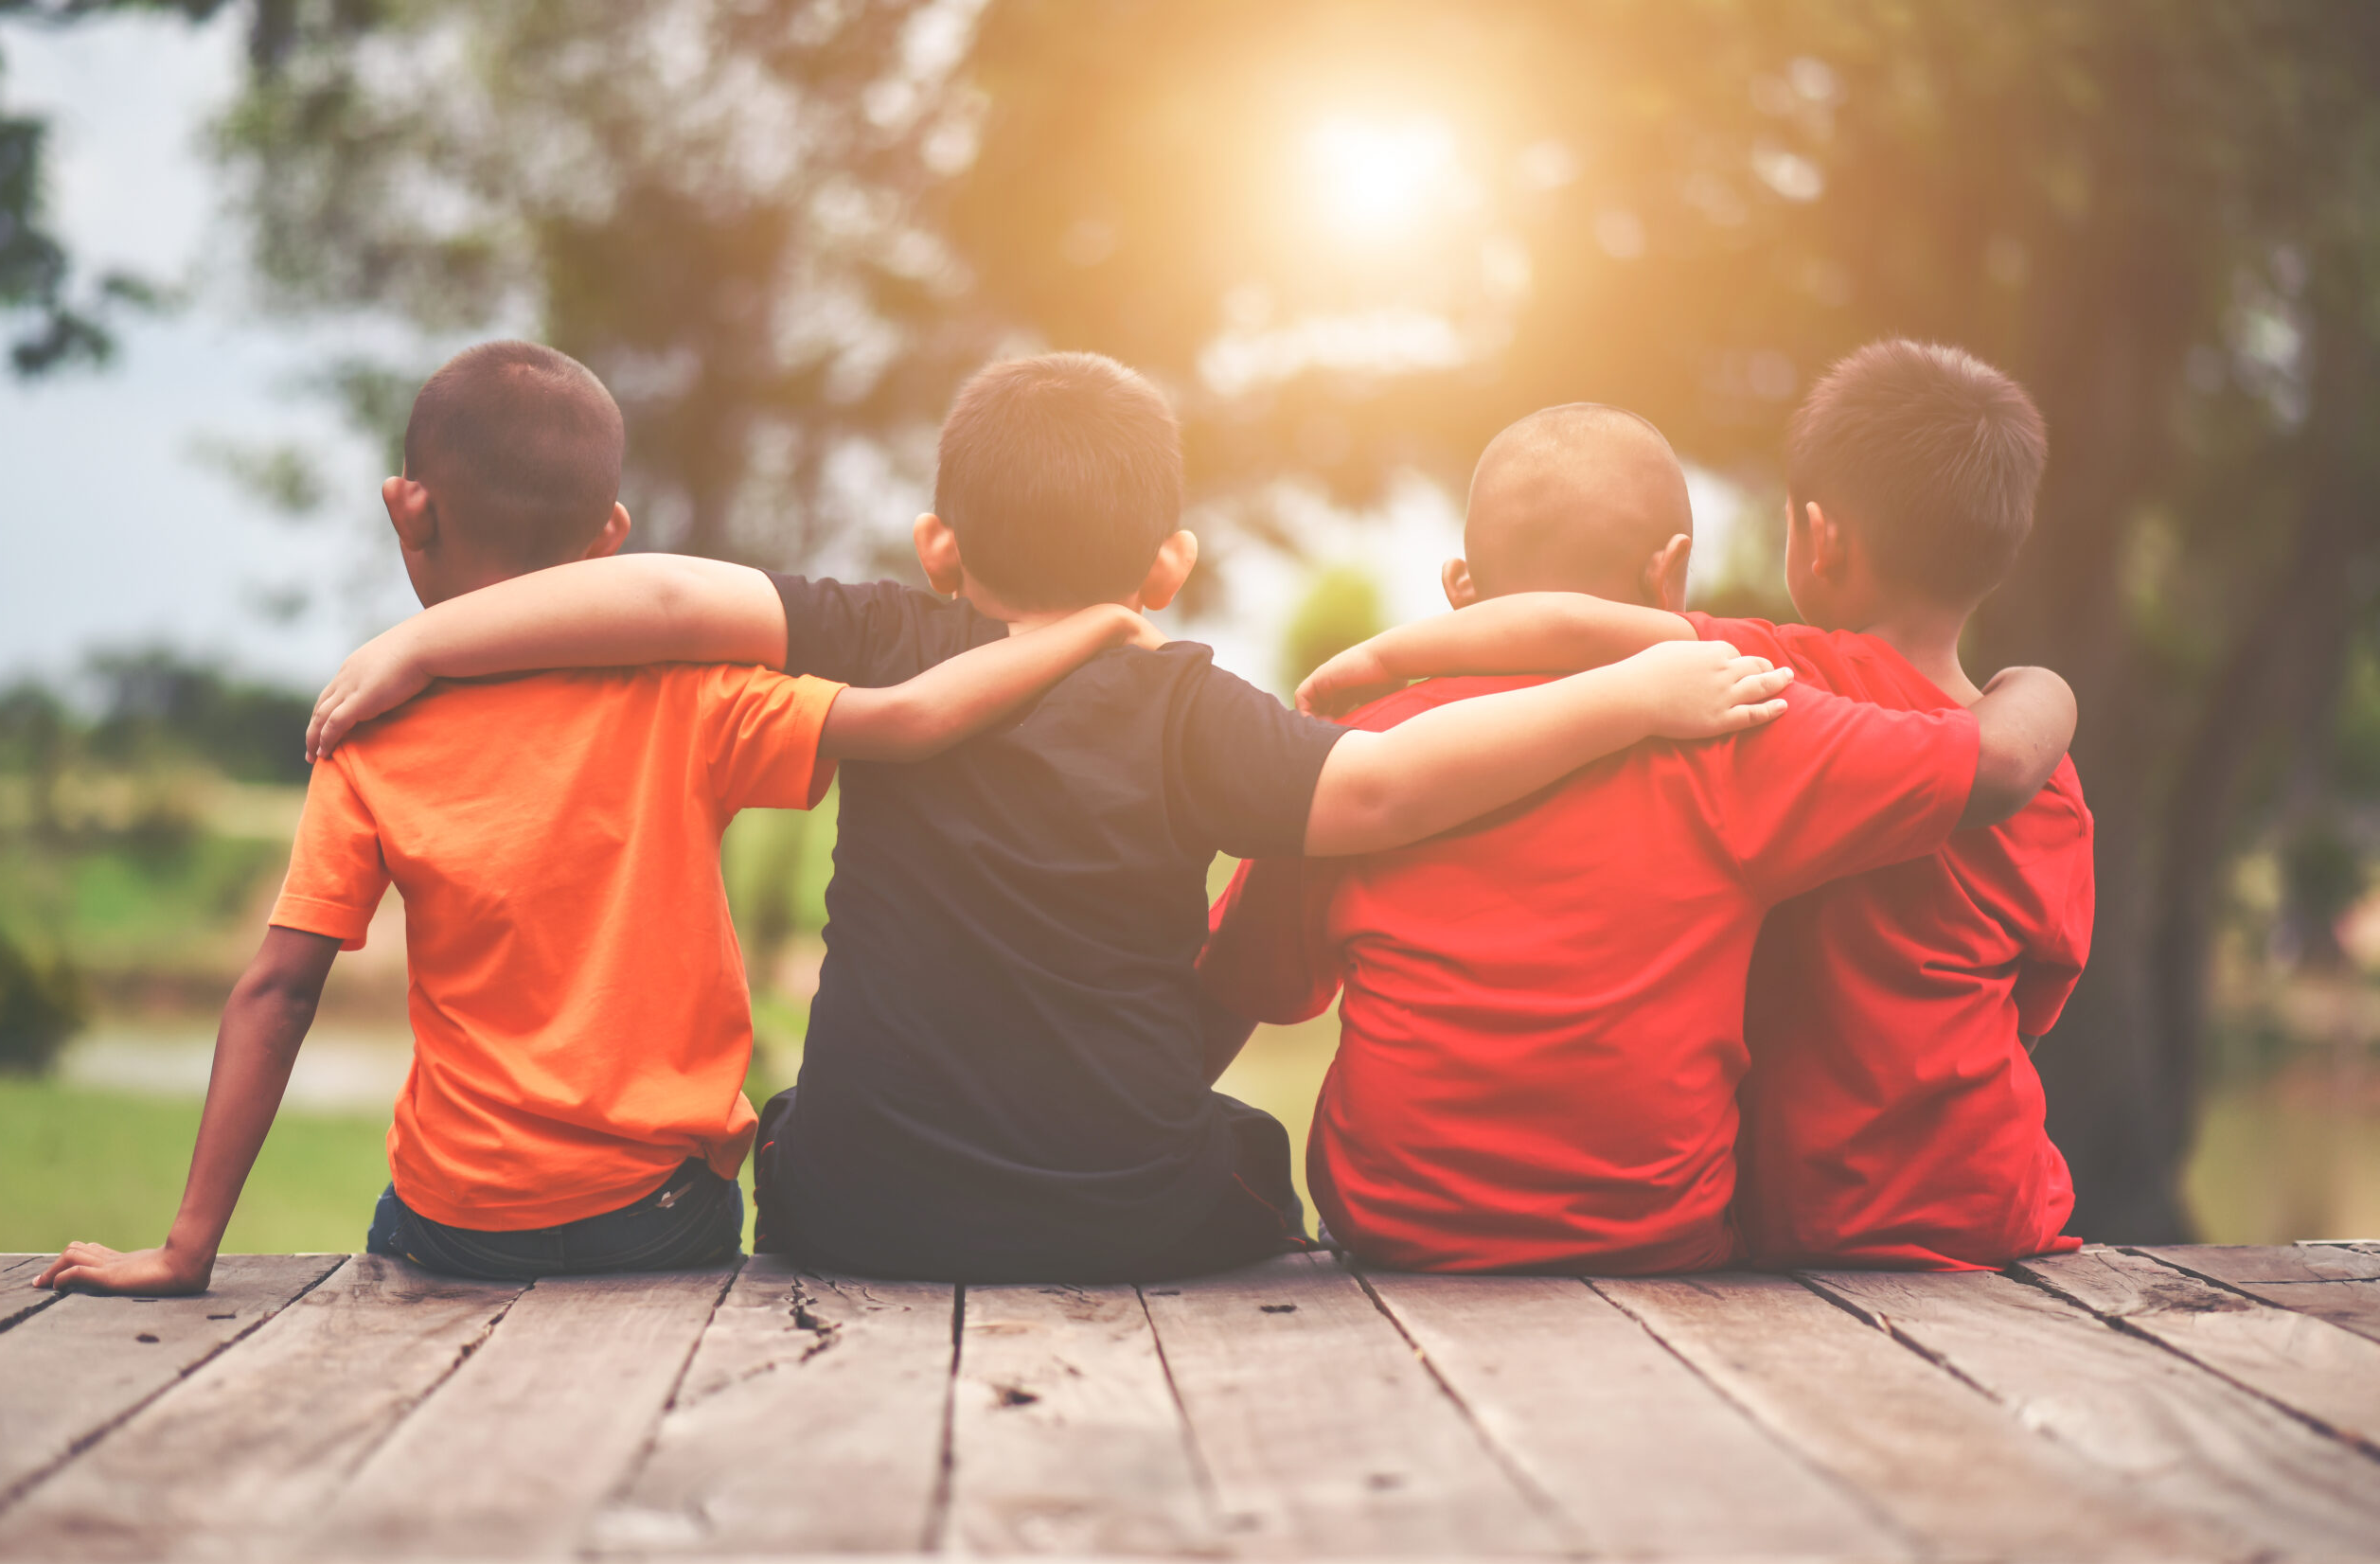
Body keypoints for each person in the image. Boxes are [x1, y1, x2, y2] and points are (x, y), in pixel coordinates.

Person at [287, 350, 1797, 1283]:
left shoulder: (883, 635)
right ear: (1168, 567)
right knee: (1244, 1157)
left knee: (801, 1128)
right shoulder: (1186, 700)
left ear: (940, 543)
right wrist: (1633, 700)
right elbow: (1388, 785)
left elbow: (669, 593)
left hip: (859, 1208)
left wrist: (421, 639)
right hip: (1123, 1209)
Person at [34, 340, 1162, 1296]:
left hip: (453, 1223)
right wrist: (1095, 621)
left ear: (405, 508)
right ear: (610, 532)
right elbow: (912, 719)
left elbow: (278, 991)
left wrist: (186, 1250)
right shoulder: (689, 695)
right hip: (657, 1217)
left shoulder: (370, 729)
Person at [1204, 398, 2077, 1273]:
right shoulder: (1739, 731)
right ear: (1672, 575)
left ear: (1461, 593)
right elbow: (1979, 763)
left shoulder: (1355, 767)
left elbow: (1242, 987)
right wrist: (2041, 685)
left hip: (1397, 1237)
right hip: (1648, 1246)